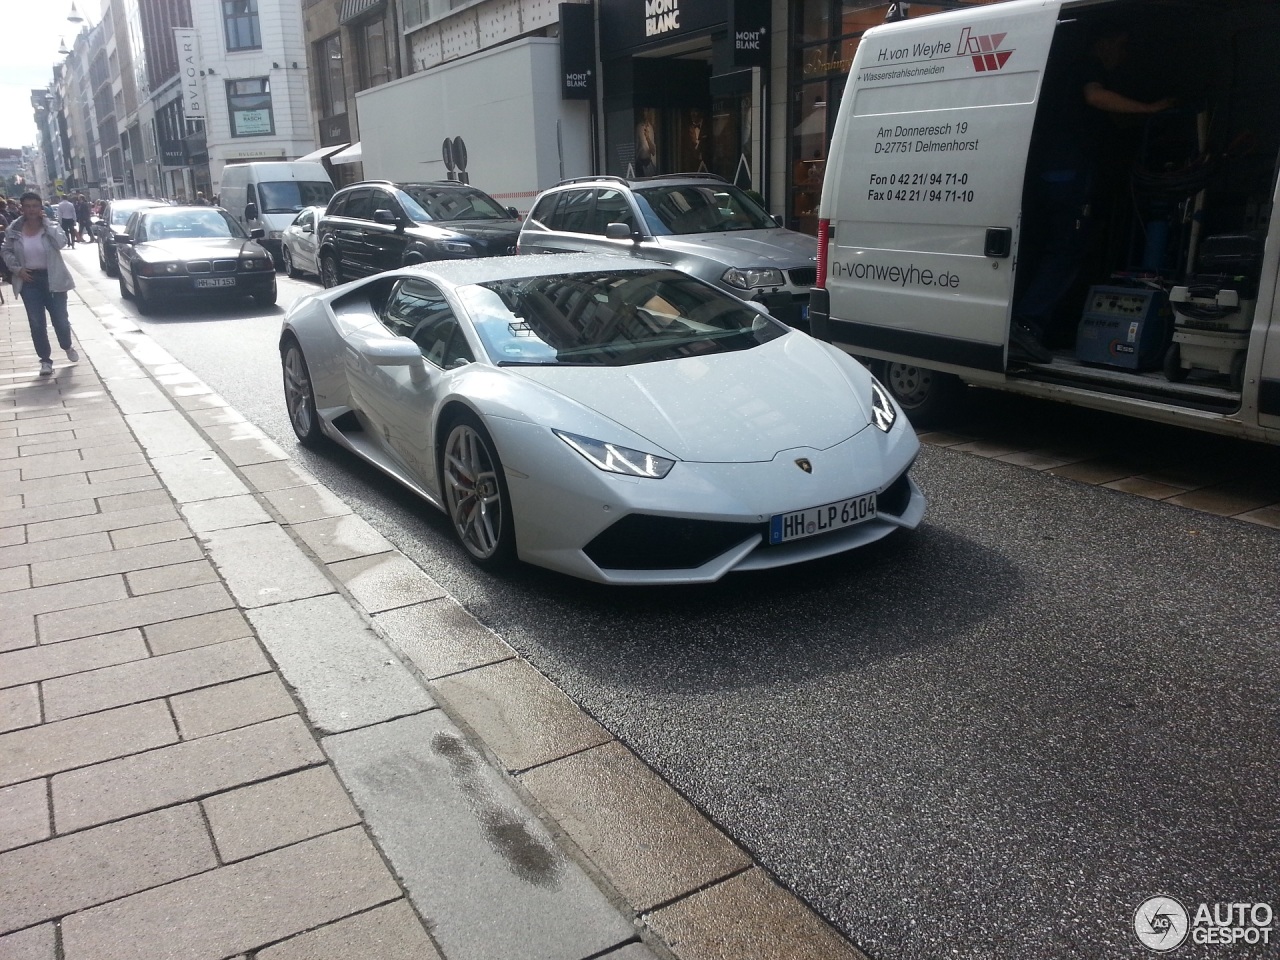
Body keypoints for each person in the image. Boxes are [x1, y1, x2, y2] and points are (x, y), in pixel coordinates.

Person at [1008, 24, 1175, 364]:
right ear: (1108, 40)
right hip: (1069, 177)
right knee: (1066, 250)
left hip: (1052, 175)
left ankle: (1036, 324)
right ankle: (1025, 326)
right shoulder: (1088, 68)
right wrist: (1150, 109)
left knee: (1053, 249)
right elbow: (1095, 97)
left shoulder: (1064, 76)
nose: (1123, 56)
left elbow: (1104, 117)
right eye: (1123, 47)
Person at [3, 192, 78, 377]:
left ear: (40, 208)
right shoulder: (14, 229)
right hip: (29, 281)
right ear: (22, 208)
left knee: (60, 320)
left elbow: (61, 243)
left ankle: (66, 345)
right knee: (36, 323)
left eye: (35, 206)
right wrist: (17, 269)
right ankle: (45, 360)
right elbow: (5, 250)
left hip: (53, 279)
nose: (31, 210)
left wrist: (47, 224)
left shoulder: (50, 226)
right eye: (27, 206)